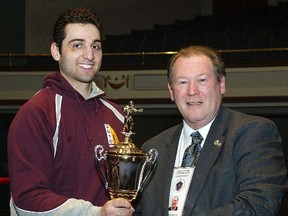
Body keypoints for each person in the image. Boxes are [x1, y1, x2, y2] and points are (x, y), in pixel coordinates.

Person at [8, 8, 134, 216]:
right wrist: (96, 213)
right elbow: (27, 200)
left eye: (96, 46)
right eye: (77, 45)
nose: (89, 55)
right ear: (56, 51)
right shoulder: (36, 113)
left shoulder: (117, 115)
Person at [134, 45, 287, 215]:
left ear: (221, 84)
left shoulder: (253, 133)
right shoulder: (152, 149)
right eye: (182, 82)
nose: (192, 91)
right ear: (171, 91)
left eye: (202, 80)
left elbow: (259, 204)